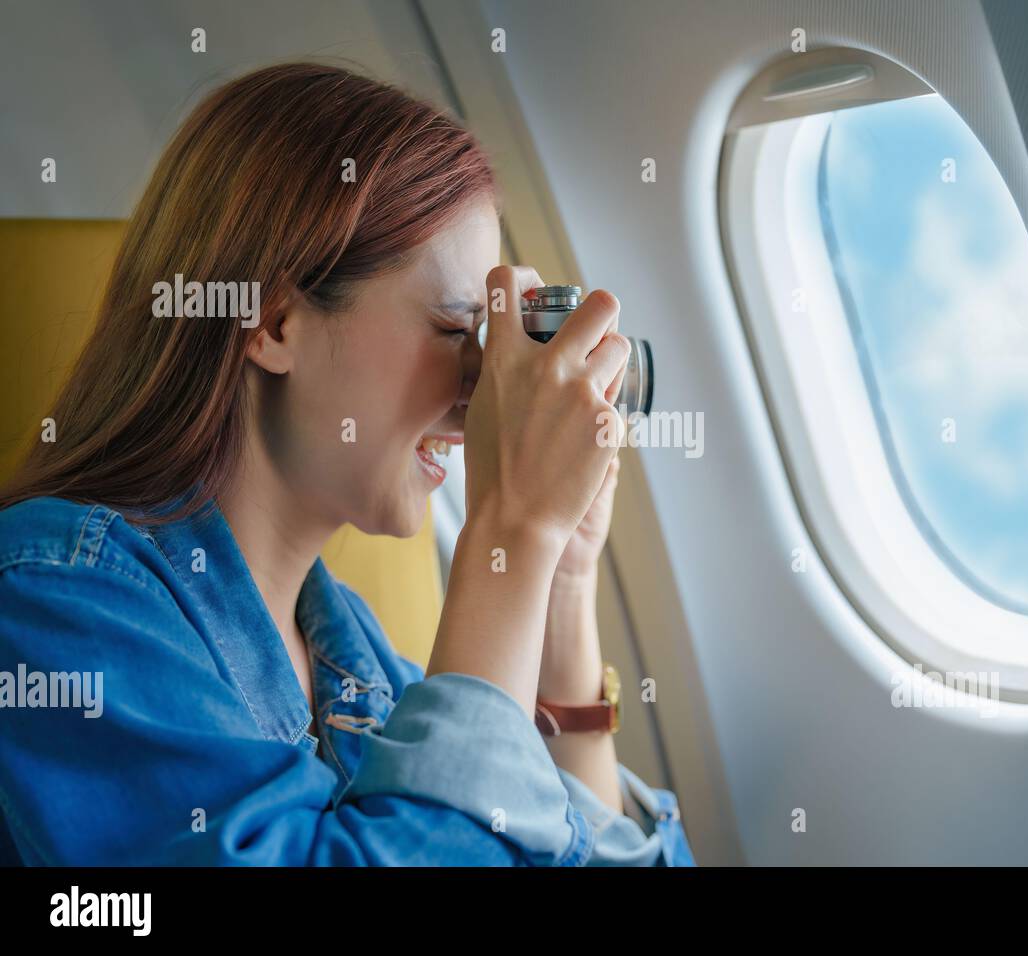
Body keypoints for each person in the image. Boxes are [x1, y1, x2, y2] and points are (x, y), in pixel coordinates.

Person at [0, 63, 693, 866]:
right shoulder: (53, 598)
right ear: (276, 321)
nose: (481, 395)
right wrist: (514, 527)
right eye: (457, 331)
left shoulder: (349, 649)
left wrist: (563, 579)